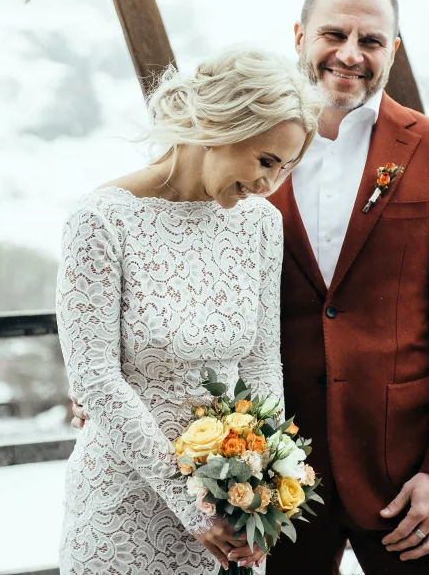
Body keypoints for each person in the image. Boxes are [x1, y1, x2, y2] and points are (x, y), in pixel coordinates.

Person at [72, 0, 429, 574]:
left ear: (394, 50)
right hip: (266, 487)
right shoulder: (242, 155)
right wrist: (104, 376)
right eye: (334, 34)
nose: (351, 55)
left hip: (408, 475)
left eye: (372, 40)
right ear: (300, 35)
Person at [55, 48, 321, 575]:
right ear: (217, 123)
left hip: (230, 521)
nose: (272, 183)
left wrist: (263, 497)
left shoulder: (262, 225)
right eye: (266, 160)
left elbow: (263, 364)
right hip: (122, 510)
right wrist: (191, 505)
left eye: (286, 168)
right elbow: (95, 379)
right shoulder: (100, 219)